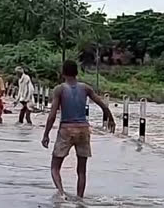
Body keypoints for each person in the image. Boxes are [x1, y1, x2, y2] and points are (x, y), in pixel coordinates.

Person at [41, 60, 116, 199]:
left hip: (66, 129)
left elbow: (52, 115)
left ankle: (61, 194)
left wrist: (46, 134)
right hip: (83, 129)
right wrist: (110, 118)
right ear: (77, 72)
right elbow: (102, 104)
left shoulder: (60, 89)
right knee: (82, 171)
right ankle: (80, 199)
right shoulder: (85, 88)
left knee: (55, 167)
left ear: (63, 73)